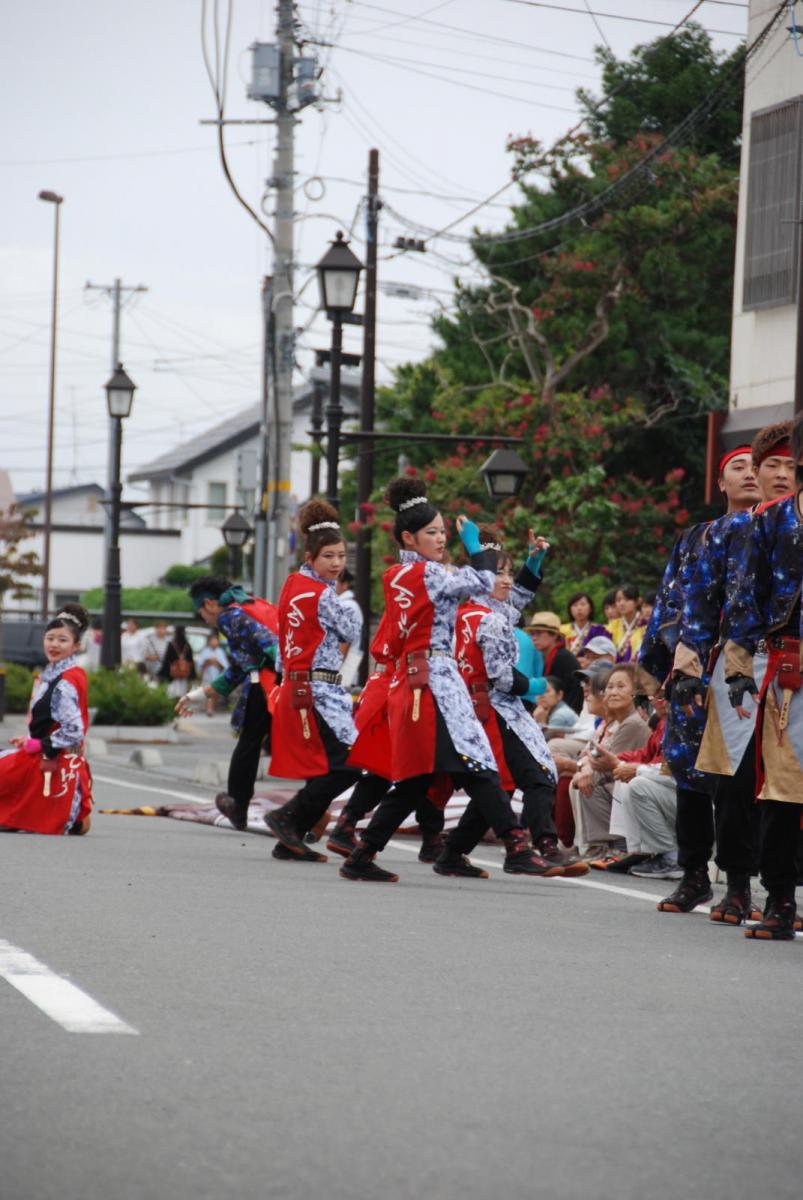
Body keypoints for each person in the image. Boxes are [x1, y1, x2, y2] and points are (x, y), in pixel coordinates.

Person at [340, 476, 559, 883]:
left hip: (415, 681)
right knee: (477, 764)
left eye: (442, 531)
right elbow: (483, 583)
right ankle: (516, 845)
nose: (442, 539)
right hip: (437, 681)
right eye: (432, 532)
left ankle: (362, 852)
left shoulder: (395, 576)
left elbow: (490, 592)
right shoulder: (431, 575)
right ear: (409, 537)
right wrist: (476, 547)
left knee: (418, 777)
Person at [669, 433, 792, 924]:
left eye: (791, 466)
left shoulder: (797, 522)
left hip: (794, 665)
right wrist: (686, 667)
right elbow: (697, 603)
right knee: (733, 782)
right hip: (740, 661)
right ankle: (736, 886)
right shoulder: (718, 534)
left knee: (790, 785)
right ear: (752, 474)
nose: (782, 474)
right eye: (772, 465)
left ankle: (783, 893)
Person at [655, 446, 764, 917]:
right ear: (720, 484)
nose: (750, 475)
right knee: (689, 775)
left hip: (759, 668)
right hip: (697, 664)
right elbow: (669, 602)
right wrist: (661, 671)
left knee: (740, 779)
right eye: (737, 468)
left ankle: (742, 884)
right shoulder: (698, 537)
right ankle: (694, 874)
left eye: (757, 467)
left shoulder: (779, 530)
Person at [455, 524, 587, 874]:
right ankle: (537, 845)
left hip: (497, 706)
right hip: (490, 706)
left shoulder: (486, 610)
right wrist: (538, 685)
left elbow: (521, 592)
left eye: (509, 572)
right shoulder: (480, 613)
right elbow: (501, 677)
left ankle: (456, 851)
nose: (507, 580)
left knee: (509, 780)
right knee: (525, 775)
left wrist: (535, 558)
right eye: (499, 573)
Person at [262, 500, 389, 863]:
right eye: (328, 556)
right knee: (349, 763)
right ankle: (288, 817)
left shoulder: (292, 585)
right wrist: (348, 607)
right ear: (310, 556)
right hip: (318, 689)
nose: (336, 563)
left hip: (301, 685)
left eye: (341, 556)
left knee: (326, 763)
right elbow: (352, 628)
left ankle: (291, 834)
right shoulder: (320, 594)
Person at [722, 411, 803, 940]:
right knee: (782, 788)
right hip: (788, 671)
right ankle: (778, 899)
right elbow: (745, 597)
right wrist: (735, 667)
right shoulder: (771, 521)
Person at [326, 610, 447, 862]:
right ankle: (431, 837)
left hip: (386, 683)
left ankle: (347, 824)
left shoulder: (403, 599)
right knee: (418, 765)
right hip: (398, 684)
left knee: (387, 766)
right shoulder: (419, 602)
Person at [177, 577, 278, 833]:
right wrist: (199, 695)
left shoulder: (229, 617)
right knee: (261, 741)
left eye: (200, 611)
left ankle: (238, 803)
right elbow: (240, 666)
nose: (203, 617)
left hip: (267, 684)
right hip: (275, 681)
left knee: (249, 741)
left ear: (210, 604)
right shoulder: (248, 607)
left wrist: (290, 674)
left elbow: (271, 646)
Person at [0, 604, 92, 835]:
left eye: (62, 639)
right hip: (56, 758)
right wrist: (30, 739)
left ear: (76, 645)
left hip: (51, 760)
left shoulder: (65, 681)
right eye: (50, 637)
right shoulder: (59, 674)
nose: (54, 644)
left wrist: (39, 744)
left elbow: (74, 730)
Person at [570, 663, 650, 864]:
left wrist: (585, 768)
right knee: (581, 777)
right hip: (621, 780)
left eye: (621, 687)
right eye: (610, 687)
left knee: (589, 780)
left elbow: (607, 763)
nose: (613, 692)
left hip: (635, 782)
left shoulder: (632, 723)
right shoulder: (618, 722)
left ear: (635, 692)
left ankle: (612, 844)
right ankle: (591, 845)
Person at [594, 693, 678, 878]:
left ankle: (671, 857)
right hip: (676, 794)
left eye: (666, 694)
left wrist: (633, 769)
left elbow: (674, 770)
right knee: (625, 777)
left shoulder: (686, 723)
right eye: (657, 695)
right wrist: (619, 762)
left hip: (700, 802)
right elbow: (645, 754)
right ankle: (641, 851)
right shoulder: (665, 722)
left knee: (636, 783)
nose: (661, 700)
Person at [525, 612, 583, 713]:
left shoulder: (562, 658)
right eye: (532, 634)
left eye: (538, 633)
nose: (534, 638)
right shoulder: (552, 656)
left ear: (555, 635)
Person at [335, 567, 364, 688]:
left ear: (344, 584)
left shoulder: (347, 606)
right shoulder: (346, 604)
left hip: (344, 672)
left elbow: (344, 642)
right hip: (346, 670)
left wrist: (334, 668)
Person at [608, 585, 645, 663]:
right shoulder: (611, 626)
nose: (622, 603)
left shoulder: (646, 625)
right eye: (618, 600)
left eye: (627, 599)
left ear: (637, 601)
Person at [158, 625, 196, 699]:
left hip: (173, 675)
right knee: (183, 695)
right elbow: (191, 661)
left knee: (172, 694)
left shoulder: (171, 644)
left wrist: (163, 672)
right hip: (184, 675)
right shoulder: (187, 645)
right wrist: (192, 675)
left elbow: (167, 660)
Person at [197, 633, 229, 716]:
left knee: (215, 693)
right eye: (212, 641)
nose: (214, 643)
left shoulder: (220, 652)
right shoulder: (205, 651)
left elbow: (225, 667)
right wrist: (208, 662)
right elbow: (200, 665)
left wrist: (216, 663)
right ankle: (209, 709)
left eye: (215, 641)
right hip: (207, 676)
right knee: (209, 693)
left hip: (217, 676)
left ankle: (212, 708)